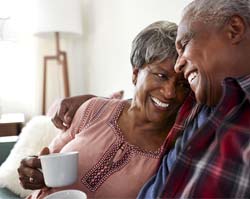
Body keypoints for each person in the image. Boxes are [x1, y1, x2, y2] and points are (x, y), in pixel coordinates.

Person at [51, 0, 250, 198]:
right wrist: (95, 104)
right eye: (161, 76)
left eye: (185, 44)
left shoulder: (189, 112)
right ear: (135, 73)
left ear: (235, 29)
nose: (179, 65)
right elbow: (50, 154)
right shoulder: (207, 104)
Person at [18, 21, 190, 199]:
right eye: (161, 76)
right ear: (136, 73)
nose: (170, 92)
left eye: (182, 84)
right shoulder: (94, 109)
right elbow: (46, 161)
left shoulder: (174, 152)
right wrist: (32, 171)